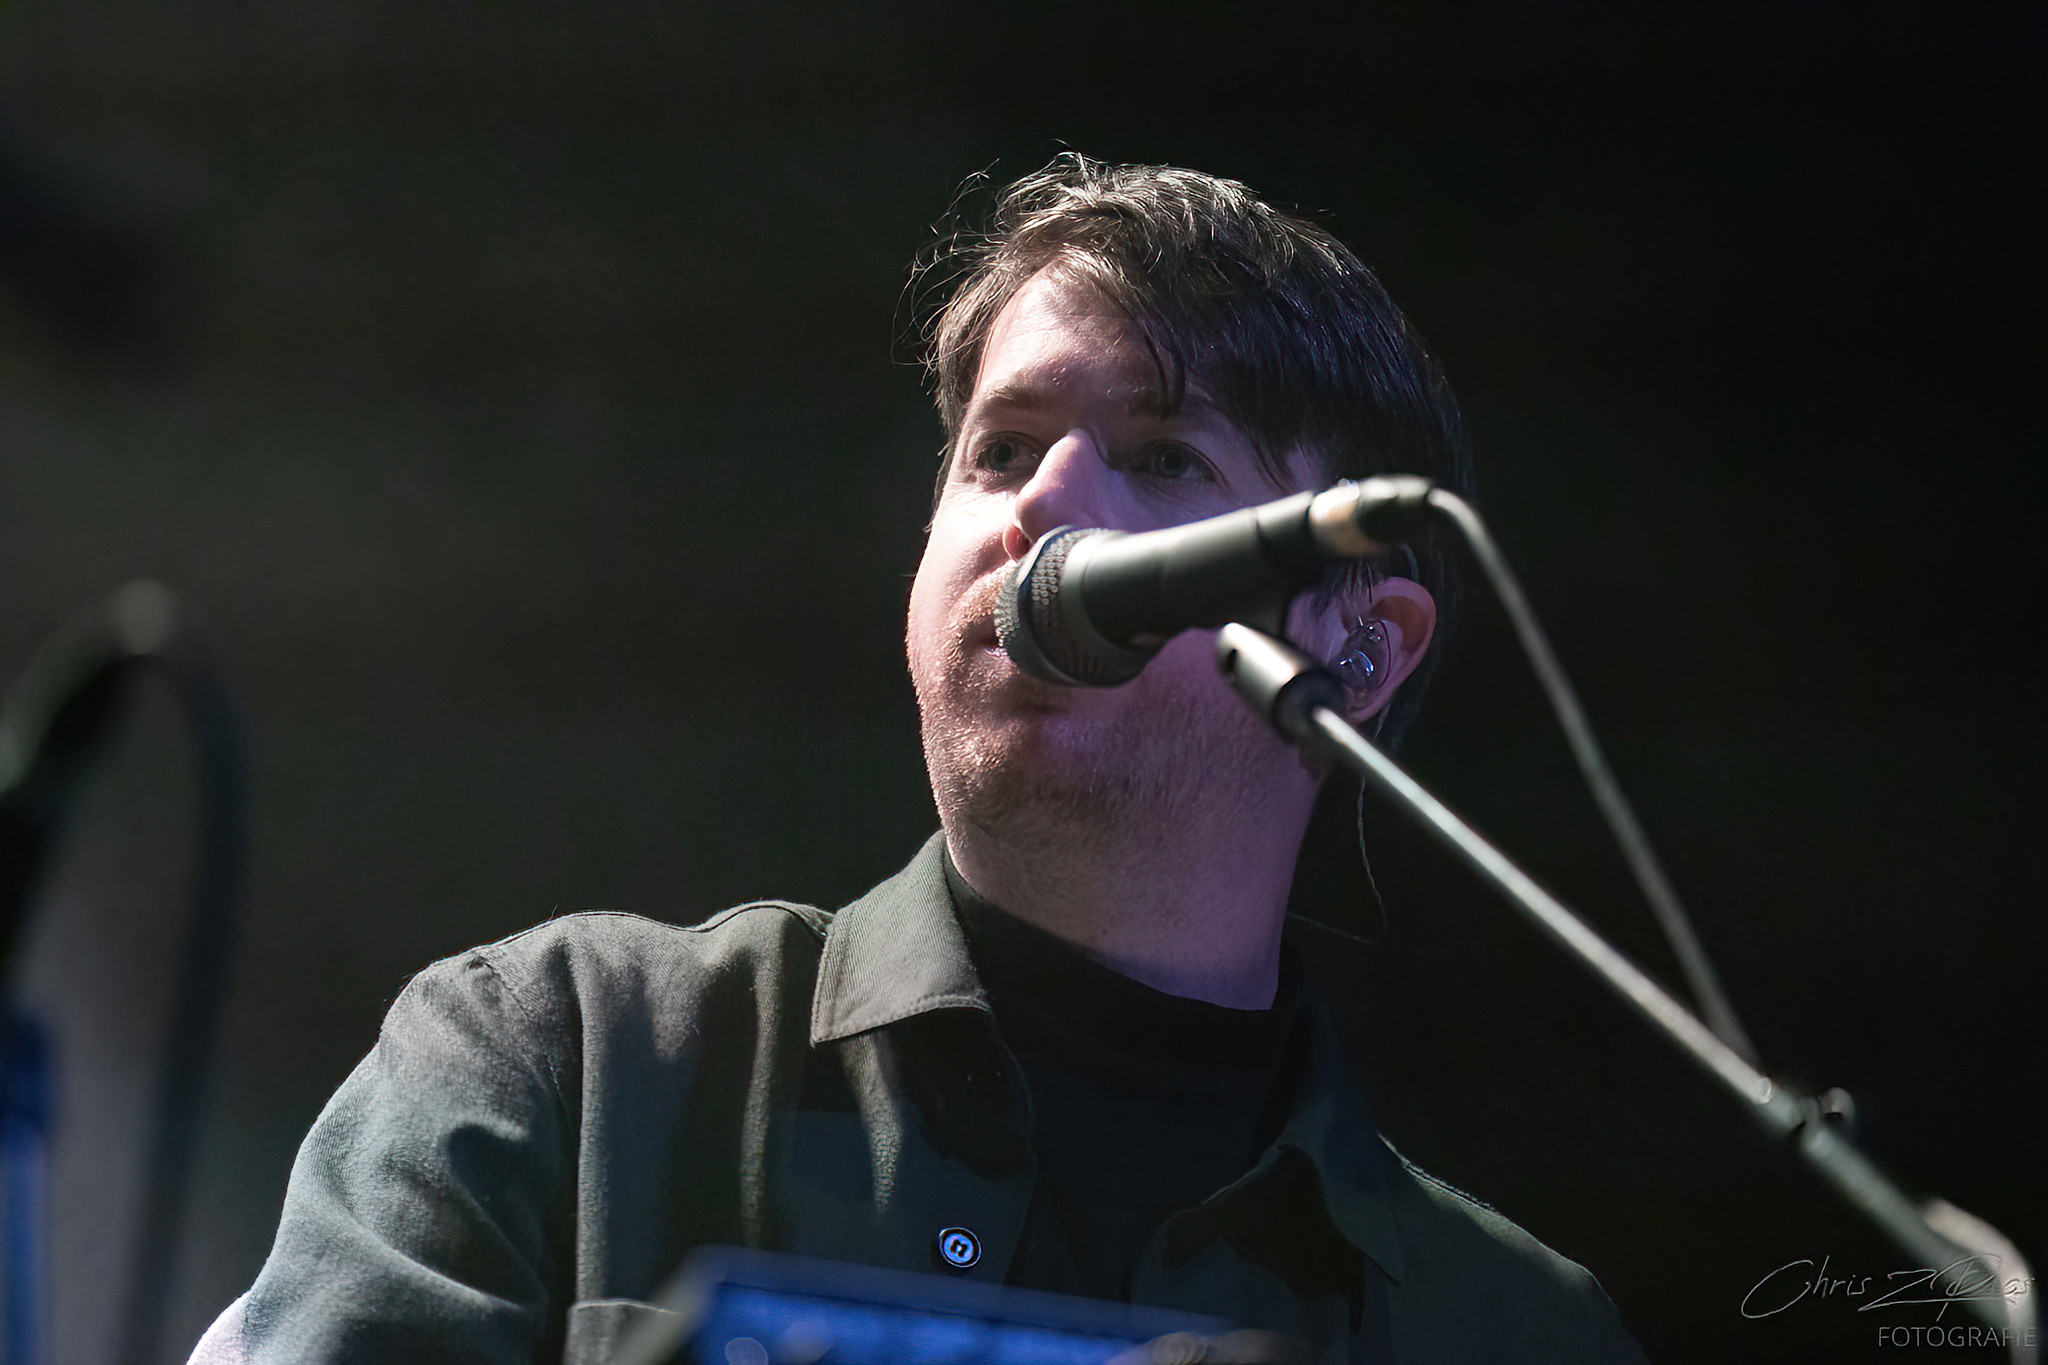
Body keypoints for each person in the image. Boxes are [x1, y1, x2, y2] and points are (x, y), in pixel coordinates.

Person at [191, 156, 1647, 1364]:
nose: (1043, 507)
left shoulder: (1519, 1330)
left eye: (1164, 457)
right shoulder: (562, 1061)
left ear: (1363, 643)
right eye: (1001, 449)